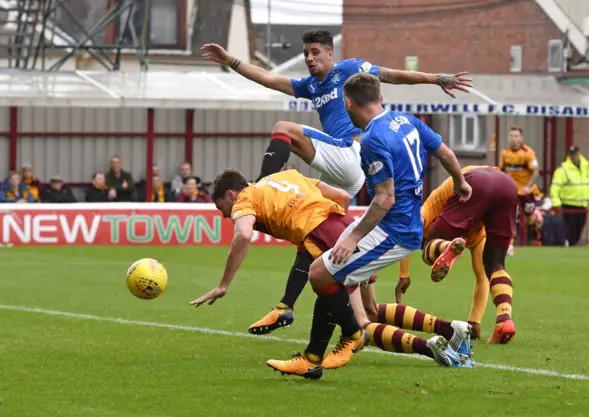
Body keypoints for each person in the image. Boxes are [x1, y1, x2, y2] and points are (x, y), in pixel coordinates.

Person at [202, 29, 473, 334]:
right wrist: (231, 61)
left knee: (284, 128)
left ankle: (264, 185)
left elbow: (393, 75)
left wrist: (436, 78)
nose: (309, 58)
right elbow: (268, 78)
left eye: (315, 52)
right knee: (314, 236)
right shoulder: (310, 86)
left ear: (331, 54)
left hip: (354, 151)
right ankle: (288, 307)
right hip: (345, 175)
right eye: (306, 53)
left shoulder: (349, 70)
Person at [268, 73, 473, 378]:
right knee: (327, 273)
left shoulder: (373, 140)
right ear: (378, 96)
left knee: (324, 274)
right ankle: (318, 354)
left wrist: (353, 239)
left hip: (394, 230)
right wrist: (460, 182)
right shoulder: (406, 120)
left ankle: (341, 341)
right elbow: (444, 152)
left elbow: (385, 198)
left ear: (348, 102)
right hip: (397, 224)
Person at [190, 168, 470, 380]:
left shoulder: (244, 201)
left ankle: (430, 346)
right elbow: (341, 196)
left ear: (230, 195)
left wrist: (223, 284)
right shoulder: (285, 175)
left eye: (222, 209)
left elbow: (243, 234)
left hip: (325, 236)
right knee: (370, 309)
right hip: (346, 226)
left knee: (356, 317)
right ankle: (450, 329)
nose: (226, 215)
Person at [396, 166, 524, 342]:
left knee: (428, 251)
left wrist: (404, 275)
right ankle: (504, 320)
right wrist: (474, 322)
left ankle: (447, 246)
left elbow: (406, 235)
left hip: (472, 183)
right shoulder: (476, 232)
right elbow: (480, 278)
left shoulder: (426, 211)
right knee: (494, 266)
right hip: (507, 184)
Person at [549, 146, 589, 246]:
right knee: (569, 231)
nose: (574, 157)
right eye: (571, 154)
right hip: (568, 205)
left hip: (582, 204)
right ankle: (569, 246)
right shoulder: (563, 170)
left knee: (579, 229)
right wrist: (557, 204)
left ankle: (572, 245)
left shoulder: (587, 168)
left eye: (575, 154)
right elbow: (555, 188)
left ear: (579, 154)